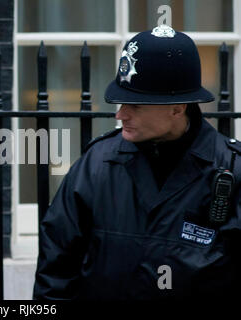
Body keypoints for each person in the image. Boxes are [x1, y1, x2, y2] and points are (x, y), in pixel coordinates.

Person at [33, 25, 241, 300]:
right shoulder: (97, 163)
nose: (120, 114)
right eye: (121, 102)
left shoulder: (232, 169)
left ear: (177, 108)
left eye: (136, 105)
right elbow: (56, 268)